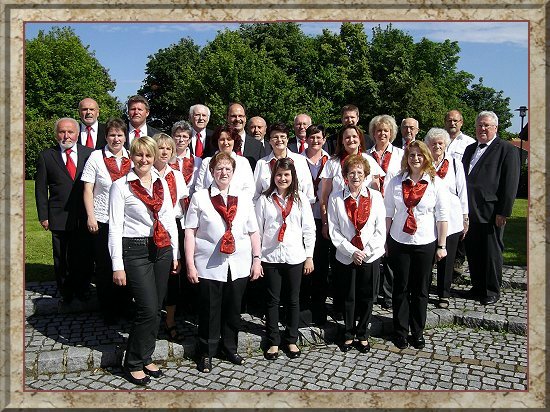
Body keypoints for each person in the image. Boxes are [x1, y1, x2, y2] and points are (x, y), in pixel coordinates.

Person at [108, 136, 180, 386]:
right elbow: (115, 228)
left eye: (148, 155)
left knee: (157, 307)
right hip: (135, 249)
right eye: (139, 155)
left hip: (161, 249)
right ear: (132, 157)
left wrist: (175, 253)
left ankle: (146, 356)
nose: (144, 160)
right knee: (147, 308)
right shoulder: (121, 186)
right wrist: (117, 264)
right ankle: (133, 362)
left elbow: (170, 219)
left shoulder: (160, 182)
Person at [185, 152, 263, 373]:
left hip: (238, 264)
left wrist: (257, 260)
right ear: (212, 171)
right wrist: (190, 263)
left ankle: (229, 347)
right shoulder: (200, 197)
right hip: (209, 263)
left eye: (228, 169)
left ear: (233, 172)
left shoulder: (243, 198)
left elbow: (253, 231)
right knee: (209, 310)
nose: (224, 172)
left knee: (232, 309)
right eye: (219, 168)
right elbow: (190, 231)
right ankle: (206, 352)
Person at [384, 141, 449, 350]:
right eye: (411, 155)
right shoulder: (395, 182)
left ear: (426, 157)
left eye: (419, 155)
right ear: (406, 158)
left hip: (425, 242)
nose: (415, 159)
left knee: (421, 290)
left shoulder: (435, 183)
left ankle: (418, 331)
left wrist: (442, 245)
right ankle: (400, 331)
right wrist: (384, 241)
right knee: (400, 288)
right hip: (399, 241)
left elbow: (442, 216)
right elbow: (387, 213)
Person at [319, 124, 384, 317]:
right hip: (340, 225)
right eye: (346, 137)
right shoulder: (333, 162)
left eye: (354, 137)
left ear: (360, 139)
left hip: (365, 229)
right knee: (342, 273)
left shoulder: (369, 160)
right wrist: (325, 223)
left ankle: (361, 317)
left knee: (364, 282)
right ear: (341, 141)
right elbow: (325, 196)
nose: (351, 140)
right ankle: (342, 310)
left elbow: (375, 191)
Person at [255, 158, 316, 360]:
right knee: (272, 300)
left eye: (286, 175)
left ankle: (291, 339)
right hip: (270, 256)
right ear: (274, 176)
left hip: (295, 256)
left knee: (293, 300)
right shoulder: (264, 199)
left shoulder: (300, 199)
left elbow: (309, 229)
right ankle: (273, 341)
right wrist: (257, 258)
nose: (283, 178)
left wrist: (309, 256)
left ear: (293, 177)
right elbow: (258, 229)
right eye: (279, 174)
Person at [328, 154, 386, 353]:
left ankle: (363, 334)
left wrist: (366, 251)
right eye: (351, 172)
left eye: (359, 172)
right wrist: (352, 251)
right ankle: (348, 333)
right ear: (345, 176)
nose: (355, 176)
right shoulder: (335, 198)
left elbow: (380, 229)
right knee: (348, 296)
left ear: (366, 175)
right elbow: (333, 230)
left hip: (370, 255)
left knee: (367, 296)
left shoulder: (376, 197)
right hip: (346, 256)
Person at [462, 111, 520, 306]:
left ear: (496, 127)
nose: (482, 129)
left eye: (486, 125)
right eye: (479, 125)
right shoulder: (470, 149)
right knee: (474, 250)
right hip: (470, 210)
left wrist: (504, 211)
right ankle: (478, 286)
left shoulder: (507, 150)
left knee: (491, 252)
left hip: (491, 211)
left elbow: (510, 183)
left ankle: (491, 289)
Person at [35, 117, 94, 303]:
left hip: (84, 215)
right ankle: (65, 291)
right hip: (58, 215)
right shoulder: (46, 156)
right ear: (56, 134)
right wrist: (43, 215)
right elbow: (40, 189)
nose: (66, 136)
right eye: (62, 132)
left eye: (70, 132)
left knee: (83, 254)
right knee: (62, 256)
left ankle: (83, 288)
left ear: (77, 134)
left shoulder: (90, 154)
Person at [81, 118, 131, 323]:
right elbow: (87, 189)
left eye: (120, 135)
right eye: (112, 135)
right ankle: (108, 309)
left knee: (126, 264)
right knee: (104, 266)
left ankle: (125, 306)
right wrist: (90, 216)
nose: (116, 139)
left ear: (125, 137)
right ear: (106, 137)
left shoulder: (131, 157)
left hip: (127, 222)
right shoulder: (96, 157)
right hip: (102, 220)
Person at [425, 128, 469, 309]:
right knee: (428, 256)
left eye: (440, 143)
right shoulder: (424, 163)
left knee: (447, 257)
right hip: (428, 217)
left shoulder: (455, 163)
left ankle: (444, 293)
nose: (437, 146)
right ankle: (424, 290)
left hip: (451, 216)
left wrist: (465, 217)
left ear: (446, 145)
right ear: (428, 145)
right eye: (433, 143)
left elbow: (463, 191)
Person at [153, 133, 189, 341]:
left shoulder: (175, 175)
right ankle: (153, 317)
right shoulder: (146, 174)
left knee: (173, 274)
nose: (164, 152)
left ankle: (171, 320)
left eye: (168, 148)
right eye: (160, 148)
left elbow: (183, 203)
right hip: (153, 226)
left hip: (174, 225)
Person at [367, 115, 404, 310]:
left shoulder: (400, 154)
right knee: (372, 250)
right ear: (373, 133)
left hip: (394, 208)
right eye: (378, 130)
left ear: (392, 133)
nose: (382, 134)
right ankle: (371, 294)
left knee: (390, 249)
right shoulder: (365, 155)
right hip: (370, 209)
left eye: (386, 131)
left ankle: (389, 295)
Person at [169, 120, 202, 317]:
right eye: (177, 136)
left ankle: (192, 300)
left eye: (185, 137)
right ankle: (176, 301)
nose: (181, 139)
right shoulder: (166, 159)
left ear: (190, 140)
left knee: (193, 256)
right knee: (176, 259)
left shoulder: (198, 162)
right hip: (174, 215)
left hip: (193, 214)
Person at [301, 124, 331, 325]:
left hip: (322, 216)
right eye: (312, 137)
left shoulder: (330, 161)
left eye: (319, 137)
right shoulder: (297, 159)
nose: (315, 141)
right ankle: (302, 306)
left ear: (324, 139)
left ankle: (319, 306)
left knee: (320, 262)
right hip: (302, 217)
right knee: (303, 262)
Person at [444, 109, 475, 277]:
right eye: (449, 120)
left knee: (460, 227)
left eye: (456, 120)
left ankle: (458, 260)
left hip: (460, 189)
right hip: (440, 190)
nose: (452, 123)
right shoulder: (439, 140)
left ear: (461, 122)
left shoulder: (469, 143)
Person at [253, 122, 315, 204]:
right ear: (270, 141)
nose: (279, 140)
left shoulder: (300, 161)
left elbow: (309, 192)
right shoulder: (261, 164)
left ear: (287, 139)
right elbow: (255, 195)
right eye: (275, 137)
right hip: (269, 214)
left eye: (282, 137)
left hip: (296, 212)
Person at [195, 124, 255, 199]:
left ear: (234, 141)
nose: (226, 143)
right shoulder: (207, 162)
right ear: (217, 141)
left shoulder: (243, 162)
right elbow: (199, 188)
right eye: (222, 139)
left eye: (229, 139)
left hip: (237, 207)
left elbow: (249, 189)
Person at [226, 102, 265, 170]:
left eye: (241, 116)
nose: (237, 119)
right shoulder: (220, 143)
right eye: (233, 116)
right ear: (227, 118)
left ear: (245, 118)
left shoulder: (258, 146)